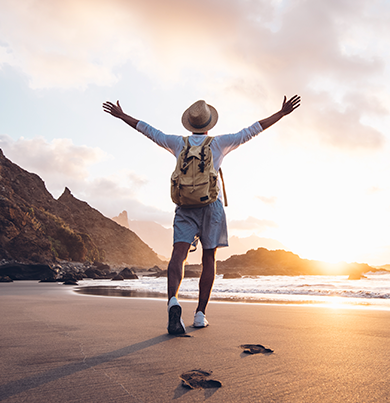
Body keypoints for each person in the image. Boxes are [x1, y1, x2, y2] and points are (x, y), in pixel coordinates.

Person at [102, 95, 301, 335]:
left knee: (179, 254)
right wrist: (280, 114)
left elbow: (149, 131)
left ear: (190, 124)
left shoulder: (177, 143)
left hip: (185, 206)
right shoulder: (219, 144)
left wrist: (123, 116)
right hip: (211, 206)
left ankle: (173, 302)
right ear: (208, 125)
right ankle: (199, 315)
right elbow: (252, 131)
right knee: (209, 258)